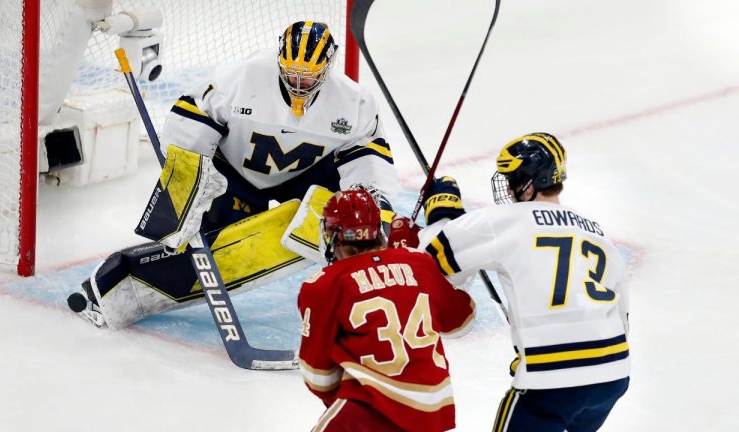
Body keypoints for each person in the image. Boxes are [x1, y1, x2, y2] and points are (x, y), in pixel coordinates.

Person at [67, 21, 398, 329]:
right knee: (215, 250)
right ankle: (118, 287)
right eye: (292, 73)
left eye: (309, 76)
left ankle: (359, 296)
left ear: (327, 68)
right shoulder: (241, 78)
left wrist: (372, 209)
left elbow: (369, 156)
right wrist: (192, 177)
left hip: (306, 176)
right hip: (236, 175)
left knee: (355, 227)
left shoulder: (354, 103)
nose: (299, 84)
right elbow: (191, 118)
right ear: (279, 59)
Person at [420, 133, 630, 432]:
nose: (507, 186)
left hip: (551, 382)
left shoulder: (505, 219)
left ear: (529, 182)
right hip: (613, 374)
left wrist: (442, 212)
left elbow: (431, 261)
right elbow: (622, 309)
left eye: (511, 178)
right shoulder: (596, 231)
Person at [297, 190, 476, 432]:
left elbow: (318, 377)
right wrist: (412, 259)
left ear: (334, 235)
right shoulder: (419, 262)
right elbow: (462, 320)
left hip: (367, 412)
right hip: (434, 414)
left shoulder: (324, 283)